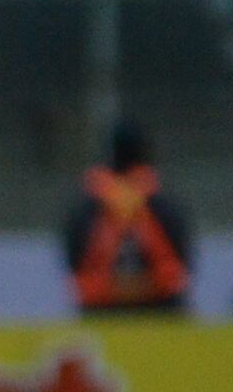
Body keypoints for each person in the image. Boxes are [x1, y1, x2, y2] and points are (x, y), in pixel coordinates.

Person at [66, 120, 194, 318]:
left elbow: (74, 262)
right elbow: (183, 264)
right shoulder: (164, 207)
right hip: (160, 316)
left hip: (103, 317)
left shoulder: (86, 209)